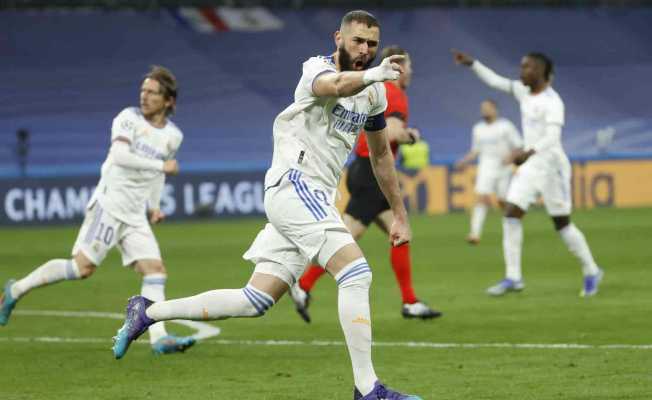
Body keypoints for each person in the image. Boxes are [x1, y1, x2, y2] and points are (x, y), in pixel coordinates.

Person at [111, 11, 422, 400]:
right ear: (337, 38)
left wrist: (400, 214)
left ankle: (147, 312)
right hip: (293, 184)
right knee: (356, 273)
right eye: (357, 40)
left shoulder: (374, 94)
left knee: (253, 300)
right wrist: (375, 73)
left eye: (372, 45)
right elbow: (338, 85)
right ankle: (367, 388)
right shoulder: (316, 69)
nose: (364, 50)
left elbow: (380, 157)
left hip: (311, 199)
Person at [0, 66, 196, 354]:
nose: (145, 96)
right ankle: (14, 291)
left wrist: (154, 206)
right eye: (143, 91)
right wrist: (160, 165)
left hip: (134, 215)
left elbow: (158, 176)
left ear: (168, 101)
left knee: (155, 271)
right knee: (81, 268)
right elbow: (120, 156)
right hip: (109, 205)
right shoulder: (127, 119)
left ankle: (159, 339)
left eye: (153, 92)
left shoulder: (172, 136)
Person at [289, 46, 441, 323]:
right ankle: (302, 284)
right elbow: (393, 133)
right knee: (344, 237)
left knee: (400, 234)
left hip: (364, 171)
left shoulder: (381, 90)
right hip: (371, 174)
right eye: (410, 67)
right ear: (400, 68)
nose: (411, 73)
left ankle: (409, 301)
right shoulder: (394, 94)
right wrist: (412, 136)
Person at [453, 50, 604, 297]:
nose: (521, 71)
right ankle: (514, 277)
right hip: (531, 166)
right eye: (522, 66)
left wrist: (528, 151)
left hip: (552, 166)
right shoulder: (524, 92)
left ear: (541, 72)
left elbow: (553, 137)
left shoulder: (553, 102)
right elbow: (496, 81)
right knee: (511, 214)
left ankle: (591, 270)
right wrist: (473, 64)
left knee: (562, 225)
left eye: (527, 67)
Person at [455, 100, 522, 245]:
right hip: (486, 167)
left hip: (504, 169)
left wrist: (510, 158)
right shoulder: (478, 128)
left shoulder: (506, 126)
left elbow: (518, 146)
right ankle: (475, 233)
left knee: (502, 201)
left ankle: (512, 227)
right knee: (481, 197)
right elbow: (475, 150)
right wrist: (464, 161)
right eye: (482, 108)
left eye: (487, 108)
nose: (484, 111)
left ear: (495, 109)